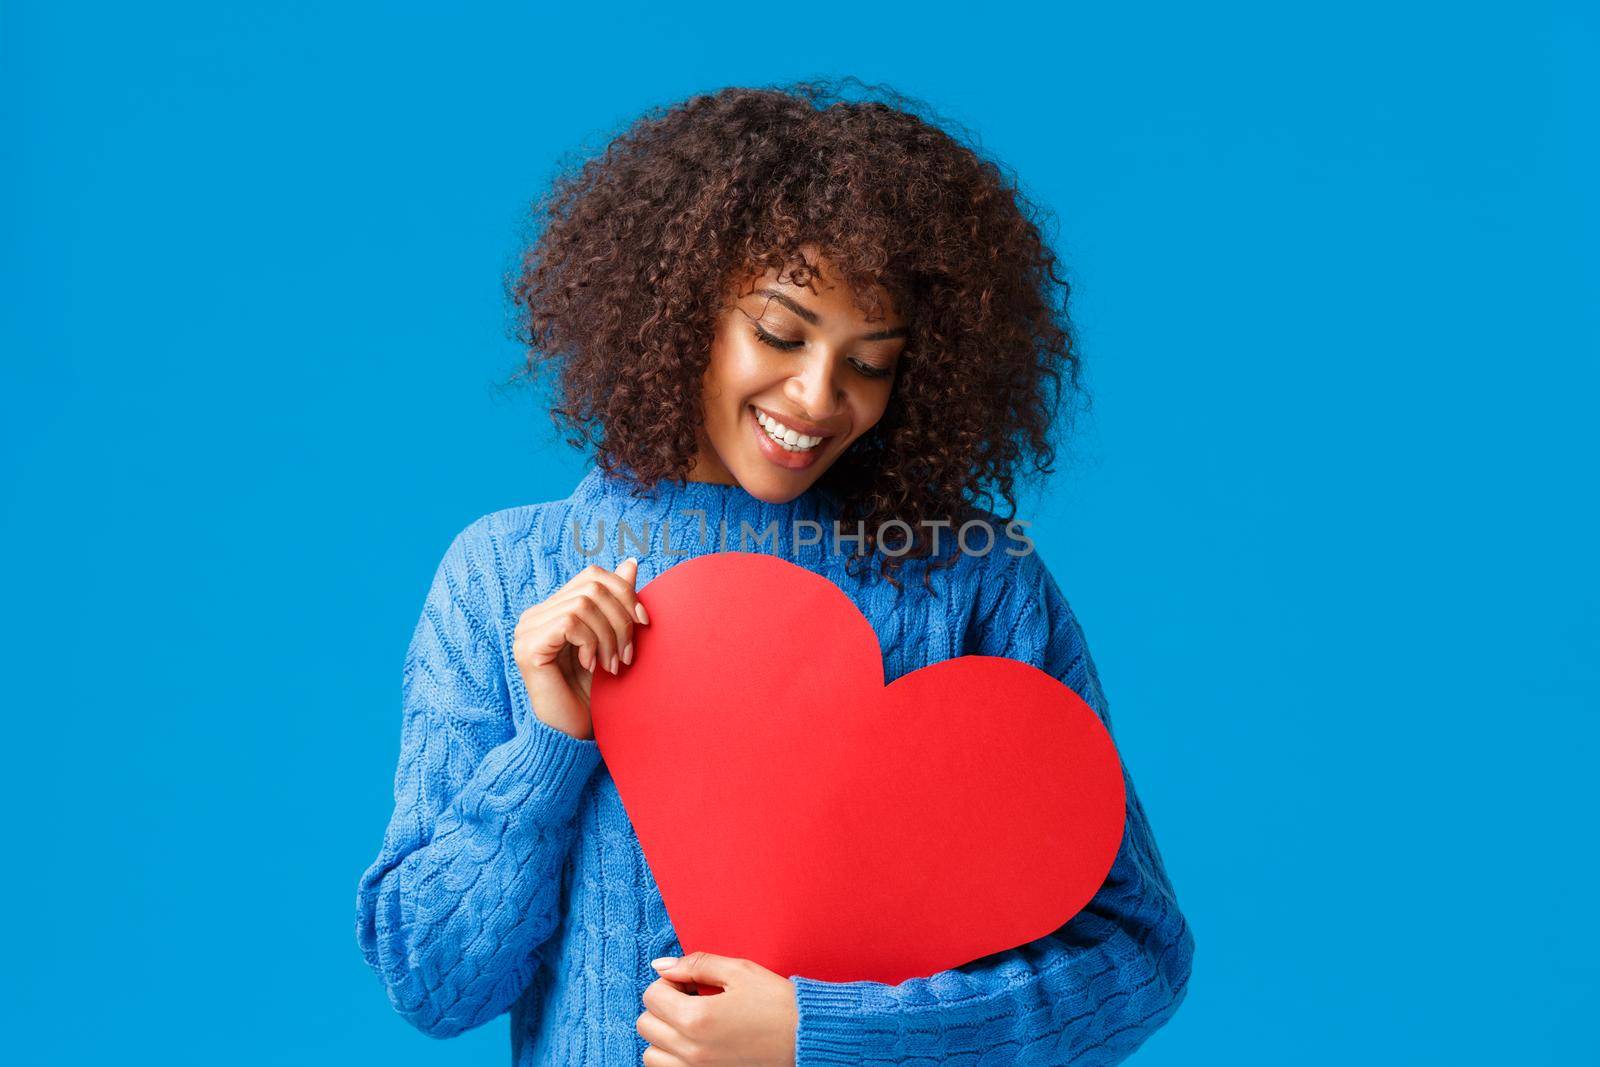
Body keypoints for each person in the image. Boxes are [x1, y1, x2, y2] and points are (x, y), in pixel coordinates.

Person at [354, 78, 1193, 1066]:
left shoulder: (973, 580)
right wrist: (550, 744)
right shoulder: (506, 575)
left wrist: (819, 1034)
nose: (816, 395)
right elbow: (433, 981)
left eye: (869, 362)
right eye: (781, 332)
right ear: (681, 308)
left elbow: (1134, 955)